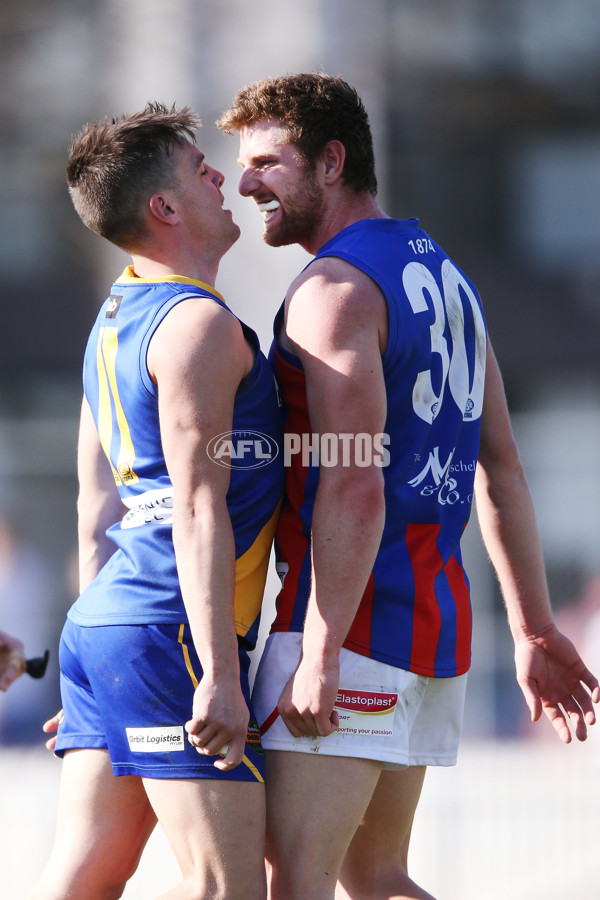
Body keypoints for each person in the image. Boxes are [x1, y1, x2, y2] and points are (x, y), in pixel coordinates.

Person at [217, 74, 600, 900]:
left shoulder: (332, 292)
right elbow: (502, 465)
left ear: (331, 161)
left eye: (266, 162)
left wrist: (319, 654)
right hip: (432, 628)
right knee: (374, 875)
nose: (247, 183)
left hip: (352, 630)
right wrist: (531, 630)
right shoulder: (447, 275)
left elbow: (354, 487)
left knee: (295, 880)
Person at [28, 102, 283, 900]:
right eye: (201, 170)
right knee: (225, 886)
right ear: (164, 208)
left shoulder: (112, 318)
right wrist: (217, 672)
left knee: (85, 874)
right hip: (171, 630)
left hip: (108, 622)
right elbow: (199, 507)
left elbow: (94, 504)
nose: (222, 177)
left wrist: (94, 661)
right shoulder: (198, 325)